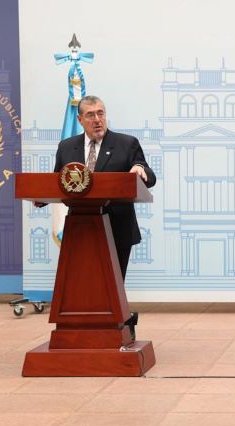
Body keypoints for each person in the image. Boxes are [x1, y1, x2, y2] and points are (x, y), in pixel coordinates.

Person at [52, 95, 156, 339]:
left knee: (112, 284)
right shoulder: (66, 147)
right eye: (91, 115)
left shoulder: (126, 143)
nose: (97, 119)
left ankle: (118, 329)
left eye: (101, 113)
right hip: (80, 229)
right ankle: (81, 332)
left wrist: (140, 169)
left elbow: (149, 176)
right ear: (80, 119)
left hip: (116, 228)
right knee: (82, 284)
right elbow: (57, 182)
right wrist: (42, 197)